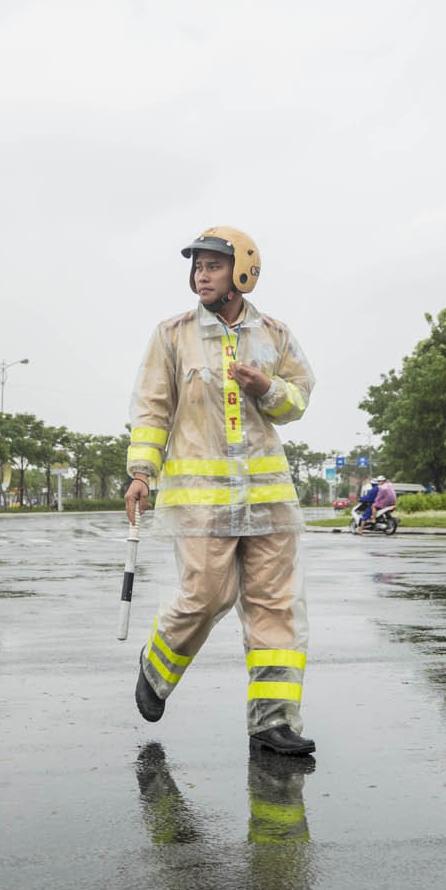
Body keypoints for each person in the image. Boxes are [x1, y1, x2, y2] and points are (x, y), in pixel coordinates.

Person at [126, 226, 318, 756]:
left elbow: (299, 398)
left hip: (269, 500)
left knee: (276, 607)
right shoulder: (172, 334)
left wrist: (268, 388)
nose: (200, 275)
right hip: (202, 501)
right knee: (207, 594)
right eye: (196, 266)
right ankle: (157, 665)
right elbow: (151, 409)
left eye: (211, 266)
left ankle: (273, 721)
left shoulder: (275, 334)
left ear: (242, 272)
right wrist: (142, 473)